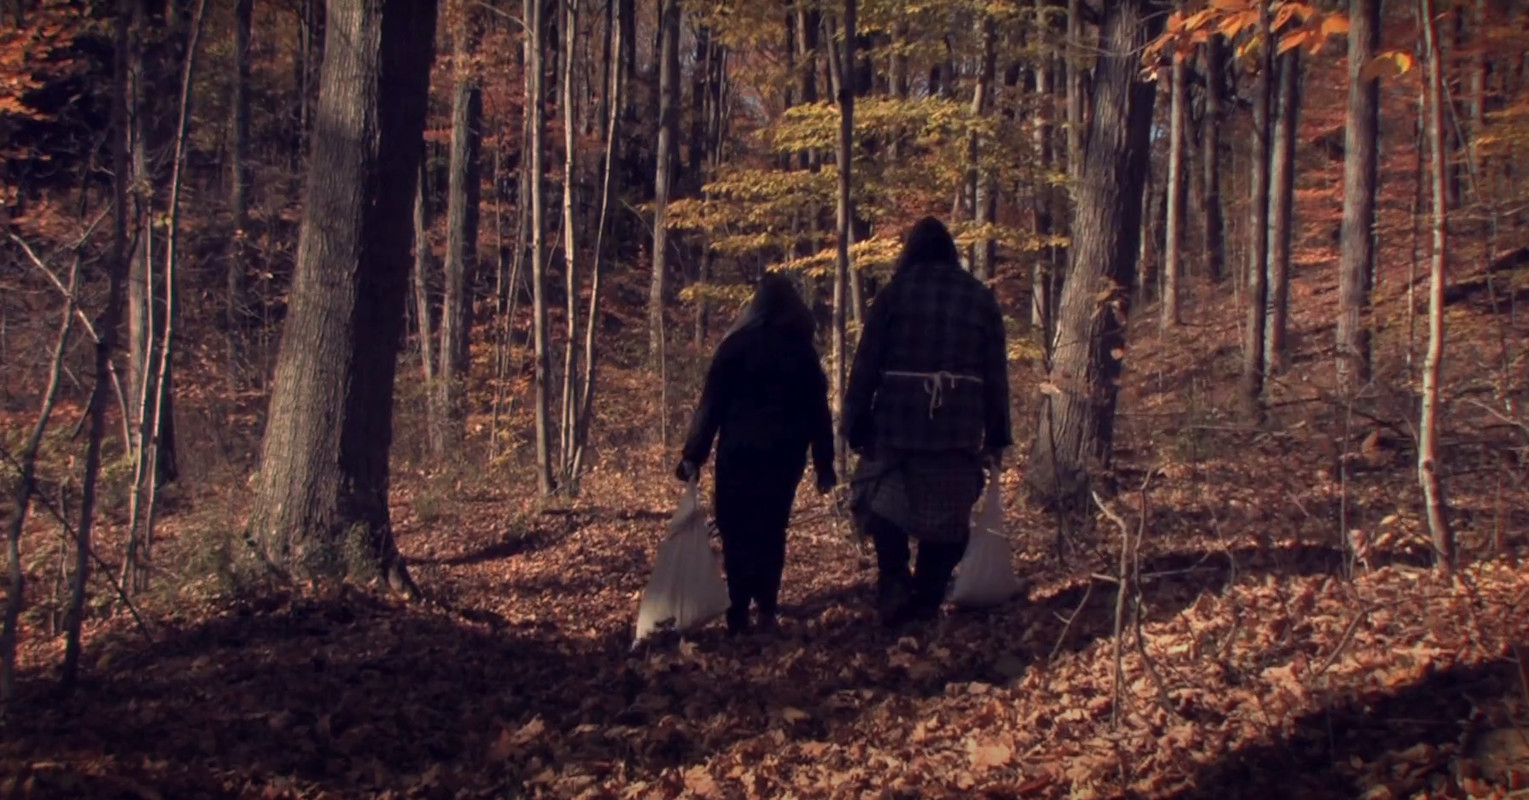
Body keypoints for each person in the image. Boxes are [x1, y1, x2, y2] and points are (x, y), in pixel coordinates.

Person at [843, 216, 1012, 628]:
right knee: (949, 522)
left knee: (885, 506)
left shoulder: (894, 295)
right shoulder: (979, 299)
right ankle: (927, 597)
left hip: (896, 428)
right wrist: (997, 435)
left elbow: (866, 365)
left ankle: (896, 578)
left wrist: (855, 422)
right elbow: (995, 375)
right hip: (957, 430)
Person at [676, 273, 837, 635]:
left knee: (736, 528)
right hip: (785, 457)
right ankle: (765, 605)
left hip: (740, 452)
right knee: (771, 527)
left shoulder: (736, 346)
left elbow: (711, 406)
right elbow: (818, 413)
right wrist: (824, 465)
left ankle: (738, 607)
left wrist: (694, 455)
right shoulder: (803, 352)